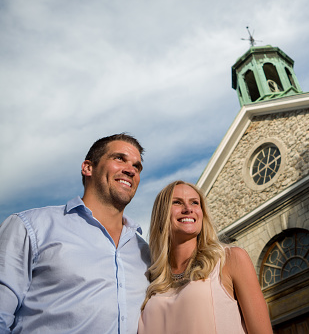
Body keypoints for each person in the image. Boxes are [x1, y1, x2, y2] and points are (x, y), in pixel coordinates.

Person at [0, 133, 151, 334]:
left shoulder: (145, 253)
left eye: (137, 166)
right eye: (119, 158)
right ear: (88, 167)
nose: (131, 170)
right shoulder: (31, 227)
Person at [138, 180, 273, 334]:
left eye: (195, 203)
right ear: (161, 215)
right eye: (177, 202)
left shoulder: (230, 260)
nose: (188, 209)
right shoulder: (149, 279)